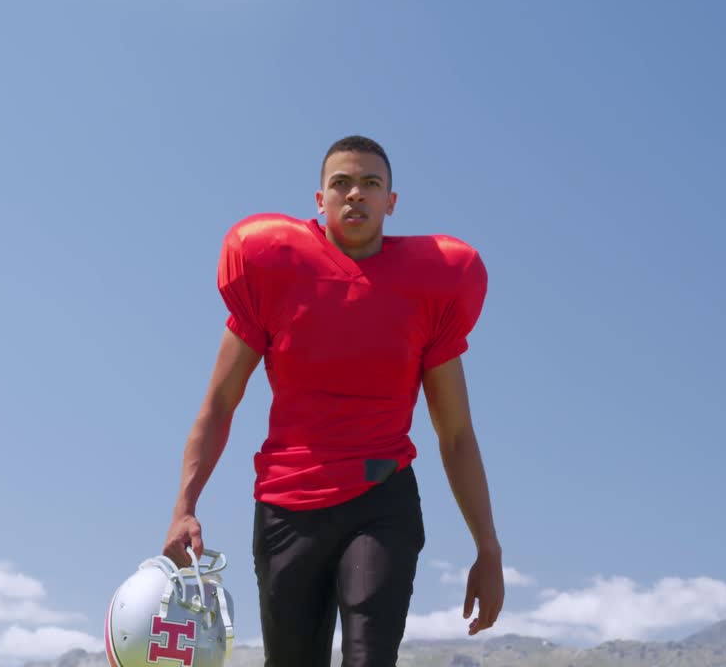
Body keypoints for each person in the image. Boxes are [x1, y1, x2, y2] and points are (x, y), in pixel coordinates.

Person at [162, 135, 504, 666]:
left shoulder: (430, 286)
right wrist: (185, 506)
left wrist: (488, 547)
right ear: (319, 200)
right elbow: (220, 404)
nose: (355, 195)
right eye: (341, 183)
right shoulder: (274, 269)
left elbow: (455, 433)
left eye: (371, 184)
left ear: (392, 202)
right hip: (286, 504)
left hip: (380, 495)